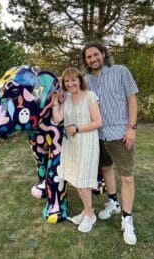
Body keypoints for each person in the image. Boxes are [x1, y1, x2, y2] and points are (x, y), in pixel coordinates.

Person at [82, 41, 138, 245]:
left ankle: (127, 218)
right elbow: (70, 88)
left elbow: (132, 98)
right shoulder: (86, 80)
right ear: (85, 61)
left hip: (121, 132)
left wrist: (132, 127)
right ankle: (113, 202)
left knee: (127, 177)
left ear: (103, 54)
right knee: (106, 168)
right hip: (97, 134)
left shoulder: (121, 71)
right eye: (89, 57)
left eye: (96, 55)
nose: (93, 59)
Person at [52, 67, 102, 233]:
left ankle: (89, 215)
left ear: (80, 80)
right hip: (71, 146)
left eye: (74, 79)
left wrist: (77, 128)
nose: (70, 83)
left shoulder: (89, 97)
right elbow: (58, 118)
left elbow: (98, 122)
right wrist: (55, 101)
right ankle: (86, 211)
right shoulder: (65, 97)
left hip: (86, 144)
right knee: (78, 181)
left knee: (82, 182)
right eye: (67, 81)